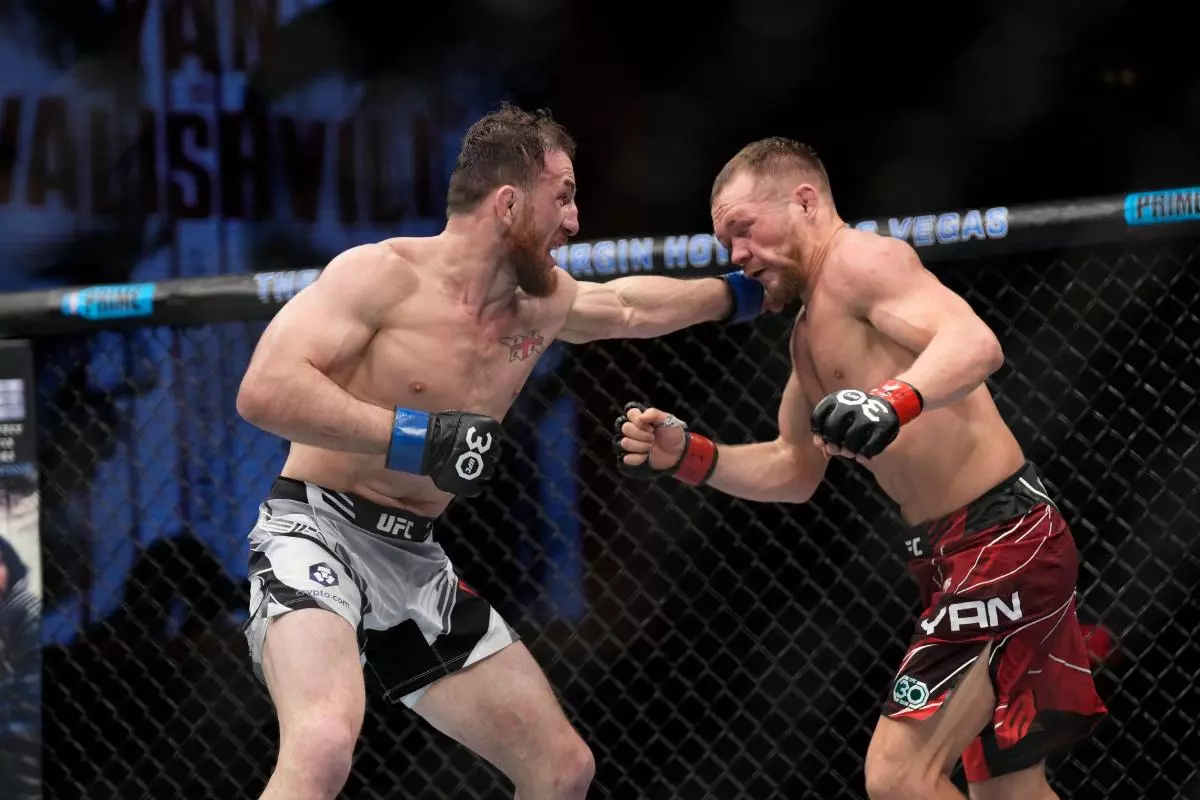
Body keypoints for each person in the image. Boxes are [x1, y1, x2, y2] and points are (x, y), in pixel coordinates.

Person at [235, 102, 766, 800]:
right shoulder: (381, 275)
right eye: (563, 197)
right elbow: (265, 391)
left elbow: (631, 307)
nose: (574, 221)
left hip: (414, 559)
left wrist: (745, 295)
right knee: (324, 741)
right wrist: (419, 436)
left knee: (561, 769)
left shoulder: (541, 304)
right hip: (316, 530)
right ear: (509, 203)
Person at [613, 137, 1107, 800]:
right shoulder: (807, 334)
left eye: (744, 229)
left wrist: (891, 401)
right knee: (1009, 792)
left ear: (804, 202)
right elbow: (793, 468)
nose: (736, 255)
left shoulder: (862, 261)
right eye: (726, 241)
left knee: (898, 776)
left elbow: (974, 343)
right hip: (958, 554)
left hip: (1002, 542)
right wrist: (690, 457)